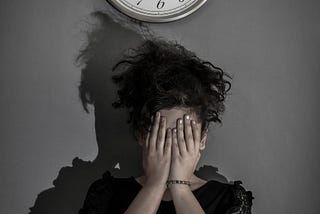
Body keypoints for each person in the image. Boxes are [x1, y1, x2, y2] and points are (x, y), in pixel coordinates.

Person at [78, 38, 254, 214]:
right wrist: (154, 186)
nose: (172, 145)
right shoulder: (107, 195)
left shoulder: (228, 200)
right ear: (142, 135)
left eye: (184, 134)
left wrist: (180, 188)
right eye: (162, 134)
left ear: (202, 139)